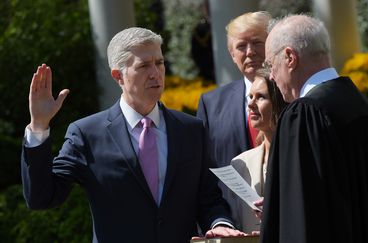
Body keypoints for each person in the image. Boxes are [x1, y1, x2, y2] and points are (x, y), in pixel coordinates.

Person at [21, 27, 245, 243]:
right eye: (144, 66)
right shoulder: (87, 134)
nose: (155, 73)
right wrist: (39, 126)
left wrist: (220, 223)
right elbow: (42, 197)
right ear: (118, 76)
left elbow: (209, 198)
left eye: (159, 63)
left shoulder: (191, 130)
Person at [260, 14, 368, 243]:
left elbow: (303, 219)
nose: (271, 77)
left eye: (271, 65)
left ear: (290, 57)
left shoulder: (303, 116)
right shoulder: (363, 108)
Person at [197, 11, 271, 169]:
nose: (250, 51)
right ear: (232, 55)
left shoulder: (292, 95)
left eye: (257, 42)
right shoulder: (211, 104)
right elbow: (202, 163)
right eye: (241, 46)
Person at [226, 68, 287, 233]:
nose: (251, 104)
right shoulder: (240, 163)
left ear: (280, 101)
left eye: (261, 97)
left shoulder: (300, 156)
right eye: (250, 96)